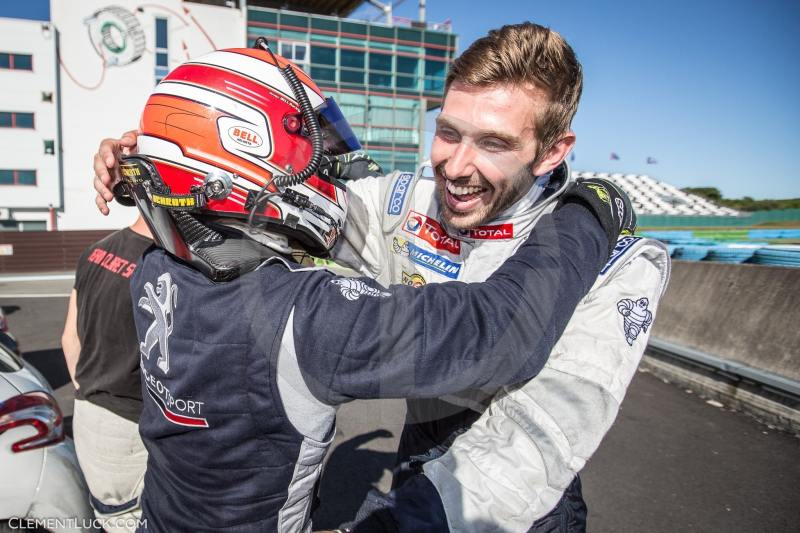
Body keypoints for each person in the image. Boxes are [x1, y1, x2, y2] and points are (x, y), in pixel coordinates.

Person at [92, 24, 669, 532]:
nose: (456, 167)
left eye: (493, 143)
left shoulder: (615, 261)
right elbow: (267, 198)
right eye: (449, 132)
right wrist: (154, 161)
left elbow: (534, 445)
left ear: (551, 152)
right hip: (415, 446)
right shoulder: (404, 201)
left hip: (517, 504)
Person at [61, 215, 153, 532]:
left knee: (112, 519)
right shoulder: (164, 263)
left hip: (86, 414)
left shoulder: (95, 249)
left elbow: (68, 339)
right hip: (128, 429)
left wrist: (93, 389)